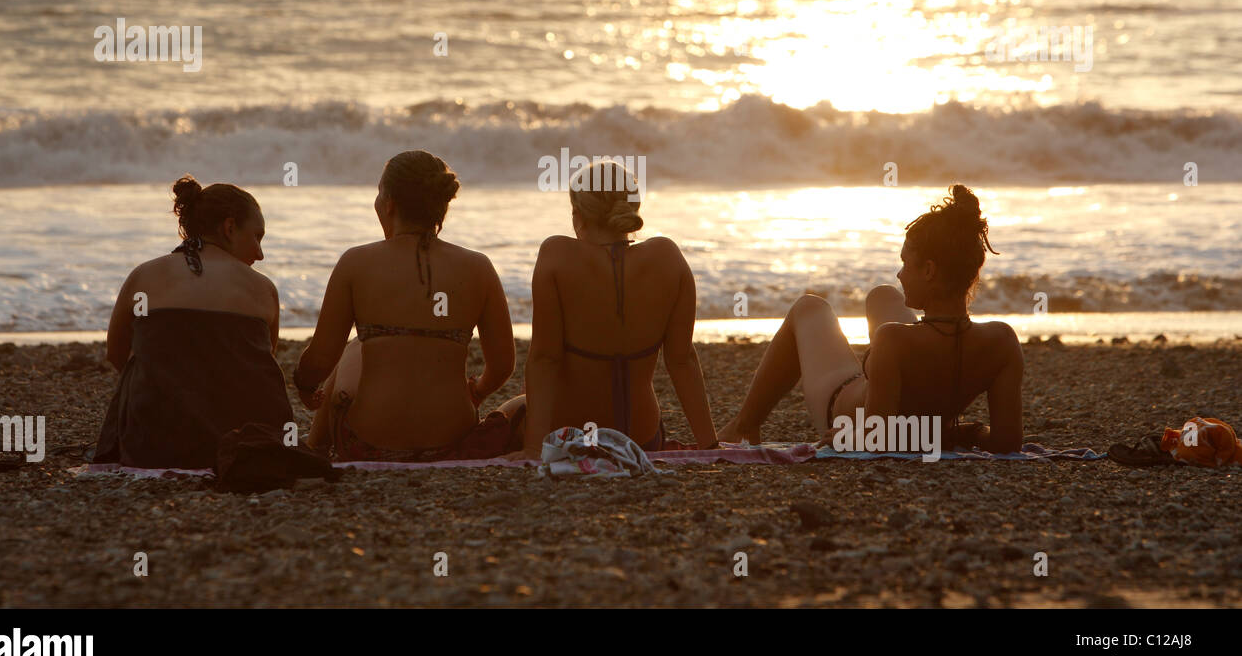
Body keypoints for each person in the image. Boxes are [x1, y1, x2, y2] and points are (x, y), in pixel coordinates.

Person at [717, 184, 1023, 453]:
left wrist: (849, 437)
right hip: (905, 396)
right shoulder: (1003, 341)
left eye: (905, 263)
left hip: (840, 405)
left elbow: (879, 439)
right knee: (883, 294)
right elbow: (1007, 443)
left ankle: (744, 425)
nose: (900, 273)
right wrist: (963, 432)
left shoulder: (894, 339)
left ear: (929, 271)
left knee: (808, 307)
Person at [294, 151, 519, 461]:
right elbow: (504, 364)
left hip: (368, 443)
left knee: (356, 345)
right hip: (453, 441)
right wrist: (477, 391)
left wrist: (304, 386)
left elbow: (321, 357)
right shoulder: (478, 267)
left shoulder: (356, 263)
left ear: (389, 204)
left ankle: (314, 446)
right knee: (519, 405)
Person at [519, 160, 718, 457]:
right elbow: (682, 360)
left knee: (514, 407)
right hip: (640, 437)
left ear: (578, 216)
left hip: (571, 434)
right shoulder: (667, 257)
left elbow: (545, 359)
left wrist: (534, 449)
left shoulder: (557, 256)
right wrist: (710, 446)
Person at [95, 175, 291, 468]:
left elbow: (116, 354)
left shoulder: (143, 276)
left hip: (154, 446)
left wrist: (169, 378)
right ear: (229, 227)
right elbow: (258, 364)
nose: (260, 254)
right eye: (257, 237)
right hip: (249, 448)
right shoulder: (262, 289)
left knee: (141, 363)